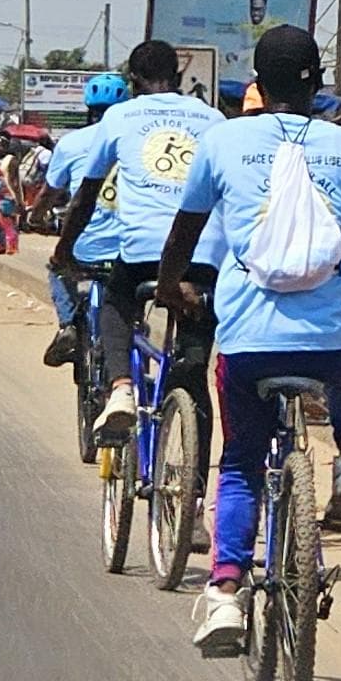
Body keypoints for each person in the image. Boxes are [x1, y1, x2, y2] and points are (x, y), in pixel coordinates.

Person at [155, 25, 341, 651]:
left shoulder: (221, 140)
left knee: (239, 465)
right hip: (334, 345)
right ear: (318, 83)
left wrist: (167, 287)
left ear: (257, 82)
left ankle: (226, 589)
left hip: (250, 341)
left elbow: (184, 234)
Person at [51, 40, 226, 497]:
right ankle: (194, 499)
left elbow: (87, 195)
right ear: (180, 77)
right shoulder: (212, 119)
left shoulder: (119, 118)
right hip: (203, 255)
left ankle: (123, 387)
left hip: (144, 252)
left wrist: (63, 252)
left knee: (114, 301)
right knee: (193, 375)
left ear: (133, 82)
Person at [31, 73, 129, 367]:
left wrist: (35, 218)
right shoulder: (135, 141)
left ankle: (68, 325)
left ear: (88, 107)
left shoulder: (72, 144)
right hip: (133, 247)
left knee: (56, 267)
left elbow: (50, 192)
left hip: (86, 247)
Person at [0, 133, 24, 254]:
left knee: (7, 222)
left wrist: (18, 199)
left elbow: (13, 181)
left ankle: (10, 247)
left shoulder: (10, 161)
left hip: (7, 196)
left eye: (1, 145)